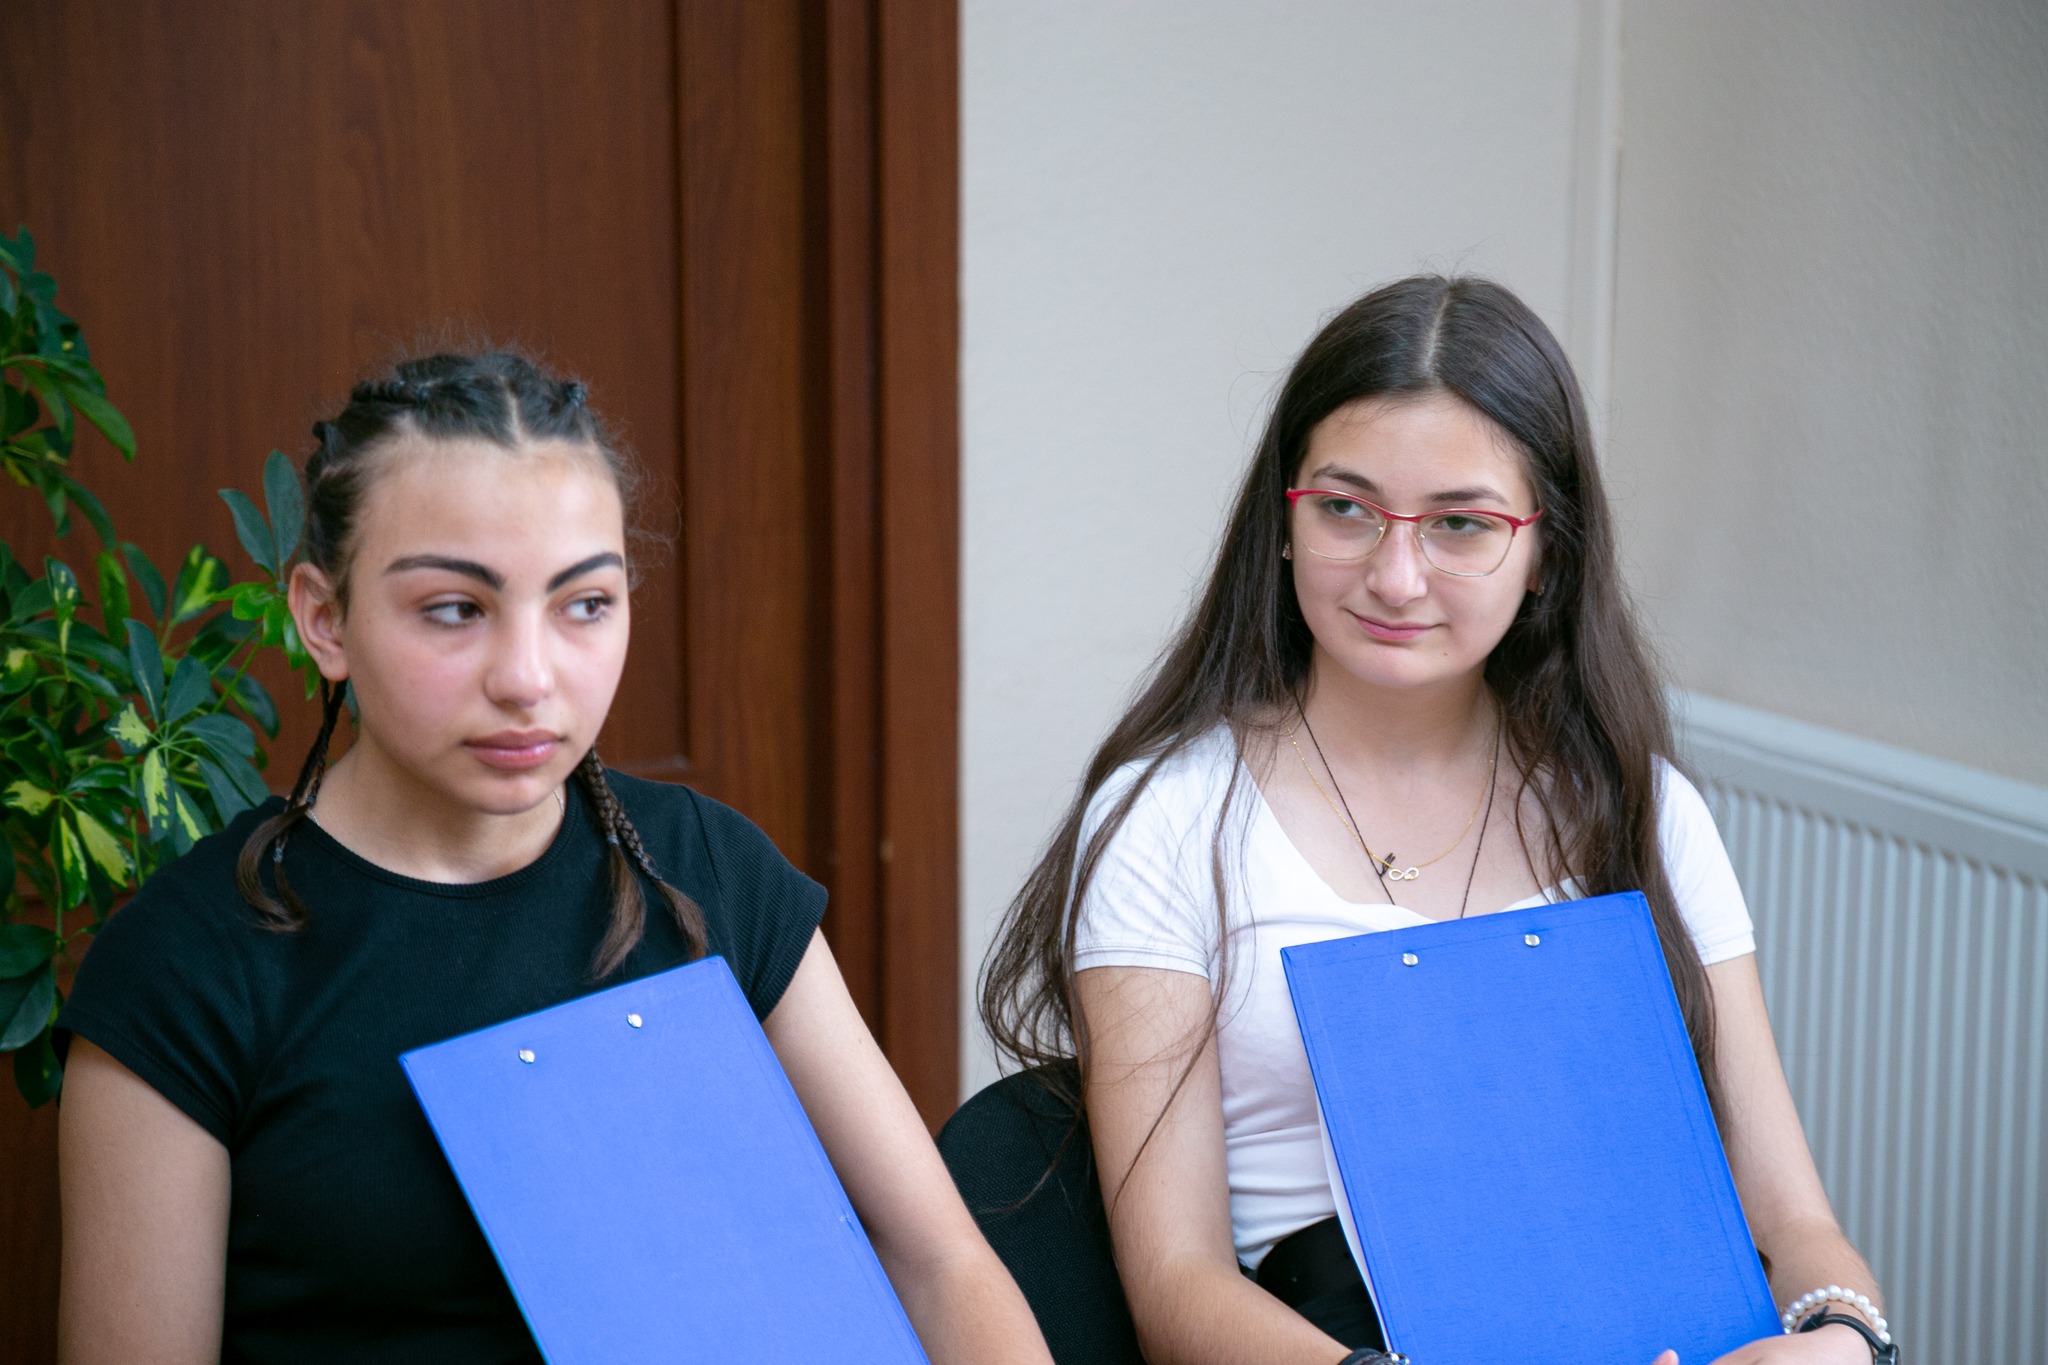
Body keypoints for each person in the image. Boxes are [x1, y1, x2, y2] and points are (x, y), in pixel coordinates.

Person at [56, 352, 1054, 1365]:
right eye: (455, 608)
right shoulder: (183, 967)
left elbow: (937, 1262)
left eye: (584, 604)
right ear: (325, 618)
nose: (528, 678)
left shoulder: (707, 868)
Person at [980, 277, 1891, 1365]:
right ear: (1282, 521)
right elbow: (1177, 1290)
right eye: (1345, 508)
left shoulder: (1639, 807)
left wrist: (1843, 1338)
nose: (1395, 575)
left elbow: (1791, 1219)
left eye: (1461, 524)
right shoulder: (1171, 819)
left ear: (1546, 552)